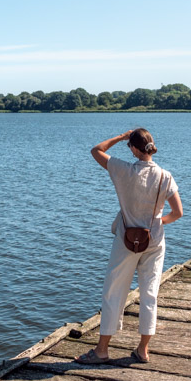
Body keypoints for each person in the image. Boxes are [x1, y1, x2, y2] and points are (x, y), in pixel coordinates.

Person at [75, 128, 183, 365]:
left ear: (134, 149)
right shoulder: (165, 176)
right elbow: (178, 212)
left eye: (130, 145)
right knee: (150, 293)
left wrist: (121, 137)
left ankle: (102, 350)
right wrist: (157, 223)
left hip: (125, 239)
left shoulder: (122, 170)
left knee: (114, 291)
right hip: (154, 240)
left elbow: (96, 150)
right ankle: (143, 350)